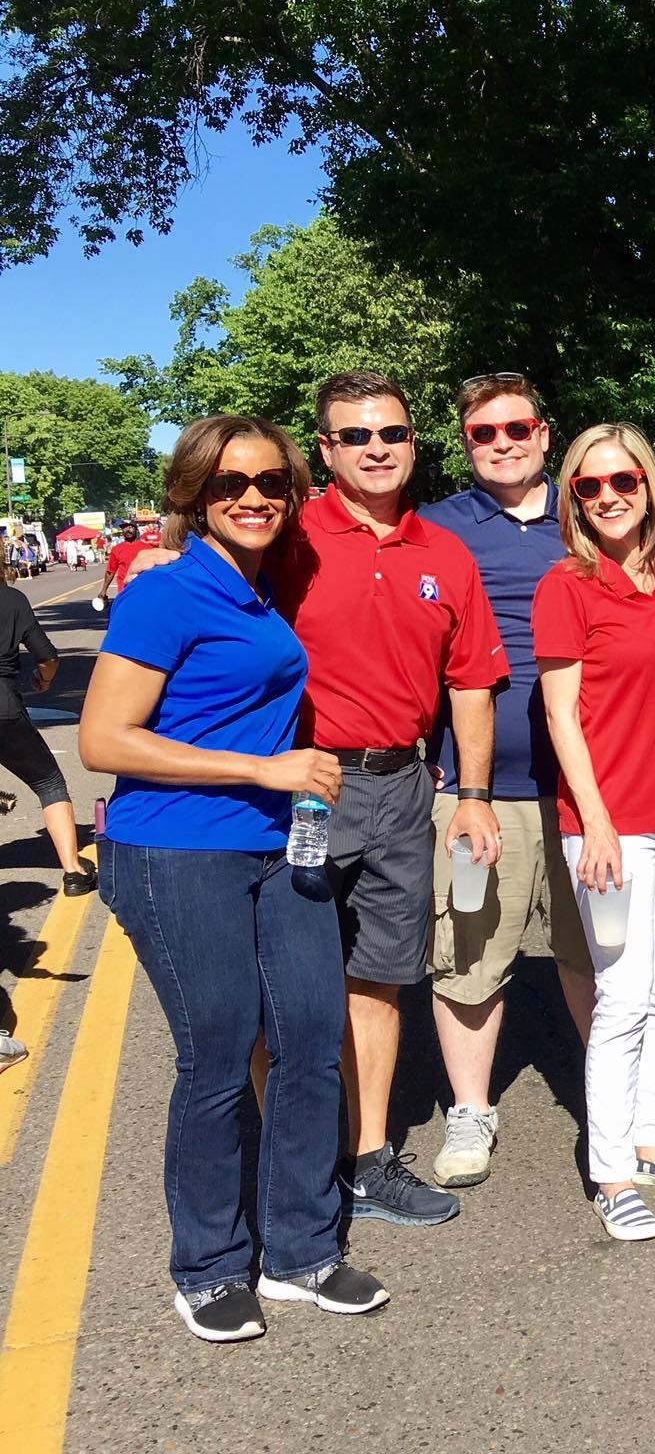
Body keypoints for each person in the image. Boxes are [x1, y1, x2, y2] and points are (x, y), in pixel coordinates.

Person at [124, 371, 509, 1225]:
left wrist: (474, 792)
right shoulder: (284, 537)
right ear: (326, 450)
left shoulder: (446, 555)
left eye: (394, 434)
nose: (378, 449)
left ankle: (368, 1156)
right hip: (299, 788)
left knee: (378, 977)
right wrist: (161, 552)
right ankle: (298, 1162)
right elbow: (207, 573)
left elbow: (472, 683)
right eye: (357, 436)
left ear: (415, 443)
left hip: (404, 785)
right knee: (277, 990)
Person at [78, 414, 389, 1342]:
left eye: (270, 483)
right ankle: (209, 1267)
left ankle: (300, 1251)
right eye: (228, 484)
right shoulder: (169, 595)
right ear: (193, 496)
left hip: (273, 845)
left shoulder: (258, 594)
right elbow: (102, 741)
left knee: (309, 1035)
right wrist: (266, 770)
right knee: (218, 1052)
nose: (252, 497)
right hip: (176, 851)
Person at [534, 423, 655, 1241]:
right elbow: (560, 714)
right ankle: (610, 1169)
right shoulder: (566, 586)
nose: (609, 496)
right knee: (619, 999)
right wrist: (597, 823)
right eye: (589, 485)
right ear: (574, 497)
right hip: (610, 826)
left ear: (649, 485)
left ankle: (649, 1137)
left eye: (624, 481)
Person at [417, 371, 597, 1189]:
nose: (502, 444)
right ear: (466, 443)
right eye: (484, 433)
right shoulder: (435, 528)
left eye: (516, 429)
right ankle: (470, 1110)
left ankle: (616, 1106)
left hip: (587, 790)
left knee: (594, 953)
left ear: (544, 433)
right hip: (476, 787)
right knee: (470, 954)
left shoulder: (594, 506)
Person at [0, 564, 97, 895]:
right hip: (3, 708)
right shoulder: (11, 599)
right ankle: (73, 872)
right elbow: (47, 656)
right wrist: (47, 677)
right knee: (48, 781)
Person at [95, 519, 146, 605]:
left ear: (136, 530)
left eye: (130, 527)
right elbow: (110, 571)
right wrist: (104, 590)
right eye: (125, 528)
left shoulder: (147, 548)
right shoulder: (116, 549)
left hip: (142, 588)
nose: (128, 530)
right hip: (124, 590)